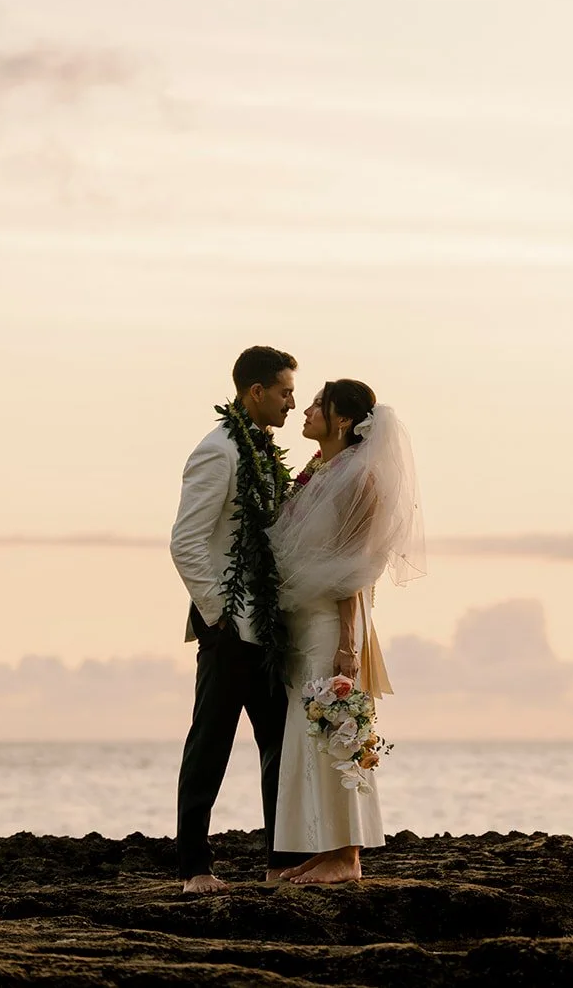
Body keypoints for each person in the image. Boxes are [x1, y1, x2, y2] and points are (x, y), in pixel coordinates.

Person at [268, 379, 426, 884]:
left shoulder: (360, 479)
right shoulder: (320, 471)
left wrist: (346, 644)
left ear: (341, 420)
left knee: (336, 730)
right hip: (305, 617)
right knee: (310, 732)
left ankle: (349, 856)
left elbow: (356, 568)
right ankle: (323, 847)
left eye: (318, 404)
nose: (306, 410)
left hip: (333, 624)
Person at [170, 345, 299, 895]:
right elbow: (185, 542)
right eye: (285, 391)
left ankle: (279, 861)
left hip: (266, 630)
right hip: (228, 630)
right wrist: (218, 617)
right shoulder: (217, 451)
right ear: (256, 392)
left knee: (280, 743)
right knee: (210, 743)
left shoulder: (266, 454)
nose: (292, 402)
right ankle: (194, 866)